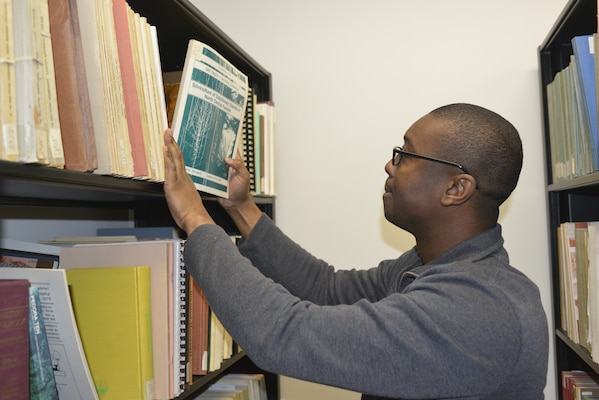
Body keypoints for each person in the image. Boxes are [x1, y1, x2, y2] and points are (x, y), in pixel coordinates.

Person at [163, 103, 549, 400]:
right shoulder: (435, 266)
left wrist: (195, 218)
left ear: (456, 188)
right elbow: (326, 289)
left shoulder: (475, 310)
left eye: (405, 154)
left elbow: (281, 334)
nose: (389, 164)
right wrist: (242, 208)